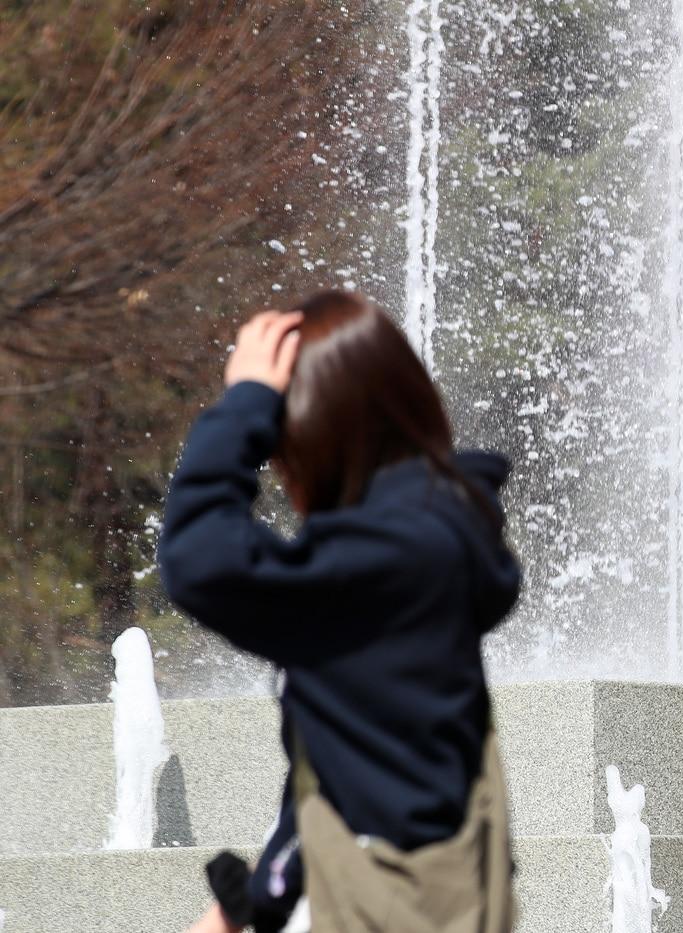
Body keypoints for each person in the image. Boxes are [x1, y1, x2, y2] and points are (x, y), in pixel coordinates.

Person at [159, 292, 521, 932]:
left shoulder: (387, 562)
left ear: (322, 435)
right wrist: (249, 907)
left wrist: (244, 406)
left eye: (281, 450)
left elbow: (198, 560)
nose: (279, 471)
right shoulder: (429, 545)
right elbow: (350, 767)